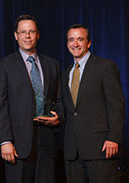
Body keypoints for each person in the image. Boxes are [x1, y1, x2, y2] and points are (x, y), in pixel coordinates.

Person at [0, 14, 62, 183]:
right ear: (16, 35)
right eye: (23, 32)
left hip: (47, 143)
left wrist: (57, 117)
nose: (27, 36)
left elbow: (59, 99)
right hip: (17, 143)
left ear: (38, 34)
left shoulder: (52, 64)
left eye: (31, 31)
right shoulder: (4, 65)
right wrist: (5, 141)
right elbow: (0, 106)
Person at [61, 24, 125, 183]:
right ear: (67, 44)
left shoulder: (105, 67)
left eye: (80, 39)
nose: (75, 44)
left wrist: (113, 138)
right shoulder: (65, 73)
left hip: (100, 149)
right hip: (72, 151)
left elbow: (117, 105)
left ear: (89, 43)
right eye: (71, 40)